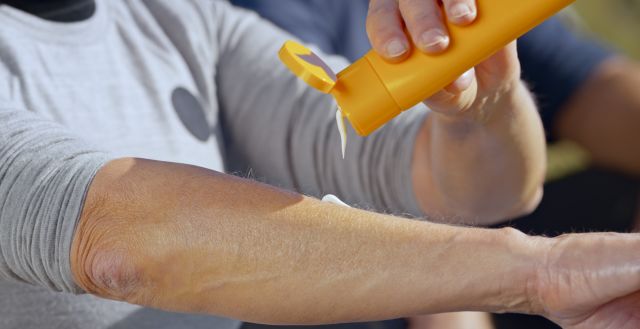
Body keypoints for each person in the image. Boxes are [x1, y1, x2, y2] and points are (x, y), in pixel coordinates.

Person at [1, 1, 640, 329]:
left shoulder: (182, 21)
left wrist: (482, 105)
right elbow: (115, 236)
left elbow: (475, 190)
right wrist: (542, 273)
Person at [231, 0, 640, 328]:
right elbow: (322, 178)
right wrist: (459, 300)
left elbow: (594, 86)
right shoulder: (261, 19)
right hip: (350, 277)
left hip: (488, 244)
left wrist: (486, 108)